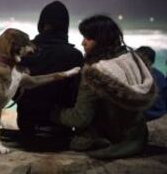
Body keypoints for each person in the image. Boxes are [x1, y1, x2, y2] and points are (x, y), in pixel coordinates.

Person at [51, 15, 156, 159]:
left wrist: (53, 112)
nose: (83, 43)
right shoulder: (133, 59)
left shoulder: (96, 72)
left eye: (88, 38)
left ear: (101, 40)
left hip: (112, 140)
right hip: (137, 136)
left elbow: (80, 118)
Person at [15, 1, 83, 150]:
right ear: (65, 26)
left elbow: (12, 92)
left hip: (27, 133)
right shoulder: (74, 56)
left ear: (41, 25)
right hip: (59, 134)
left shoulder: (24, 52)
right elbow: (77, 97)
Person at [135, 46, 167, 121]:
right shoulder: (159, 74)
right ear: (152, 62)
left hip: (145, 117)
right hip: (161, 112)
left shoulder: (135, 75)